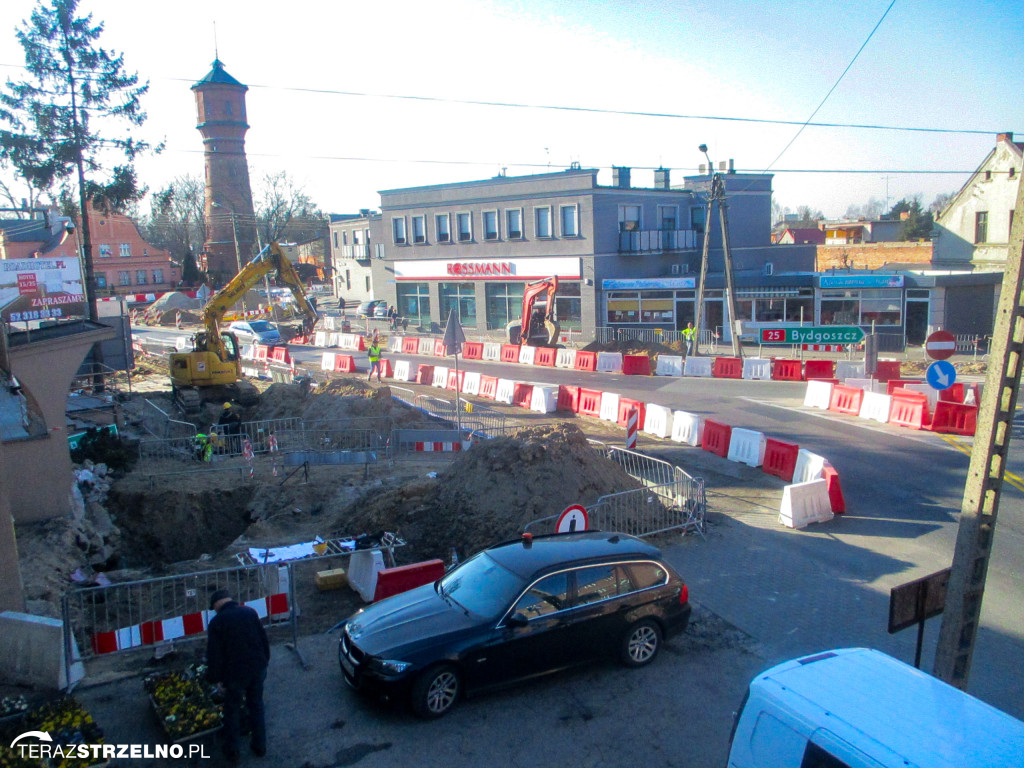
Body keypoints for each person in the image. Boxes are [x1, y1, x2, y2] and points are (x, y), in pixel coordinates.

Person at [206, 589, 270, 763]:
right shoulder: (250, 612)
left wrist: (214, 679)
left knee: (232, 710)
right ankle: (260, 746)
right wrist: (264, 661)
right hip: (257, 667)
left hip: (235, 674)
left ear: (217, 605)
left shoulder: (217, 622)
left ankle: (233, 751)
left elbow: (215, 655)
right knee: (256, 705)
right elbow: (263, 639)